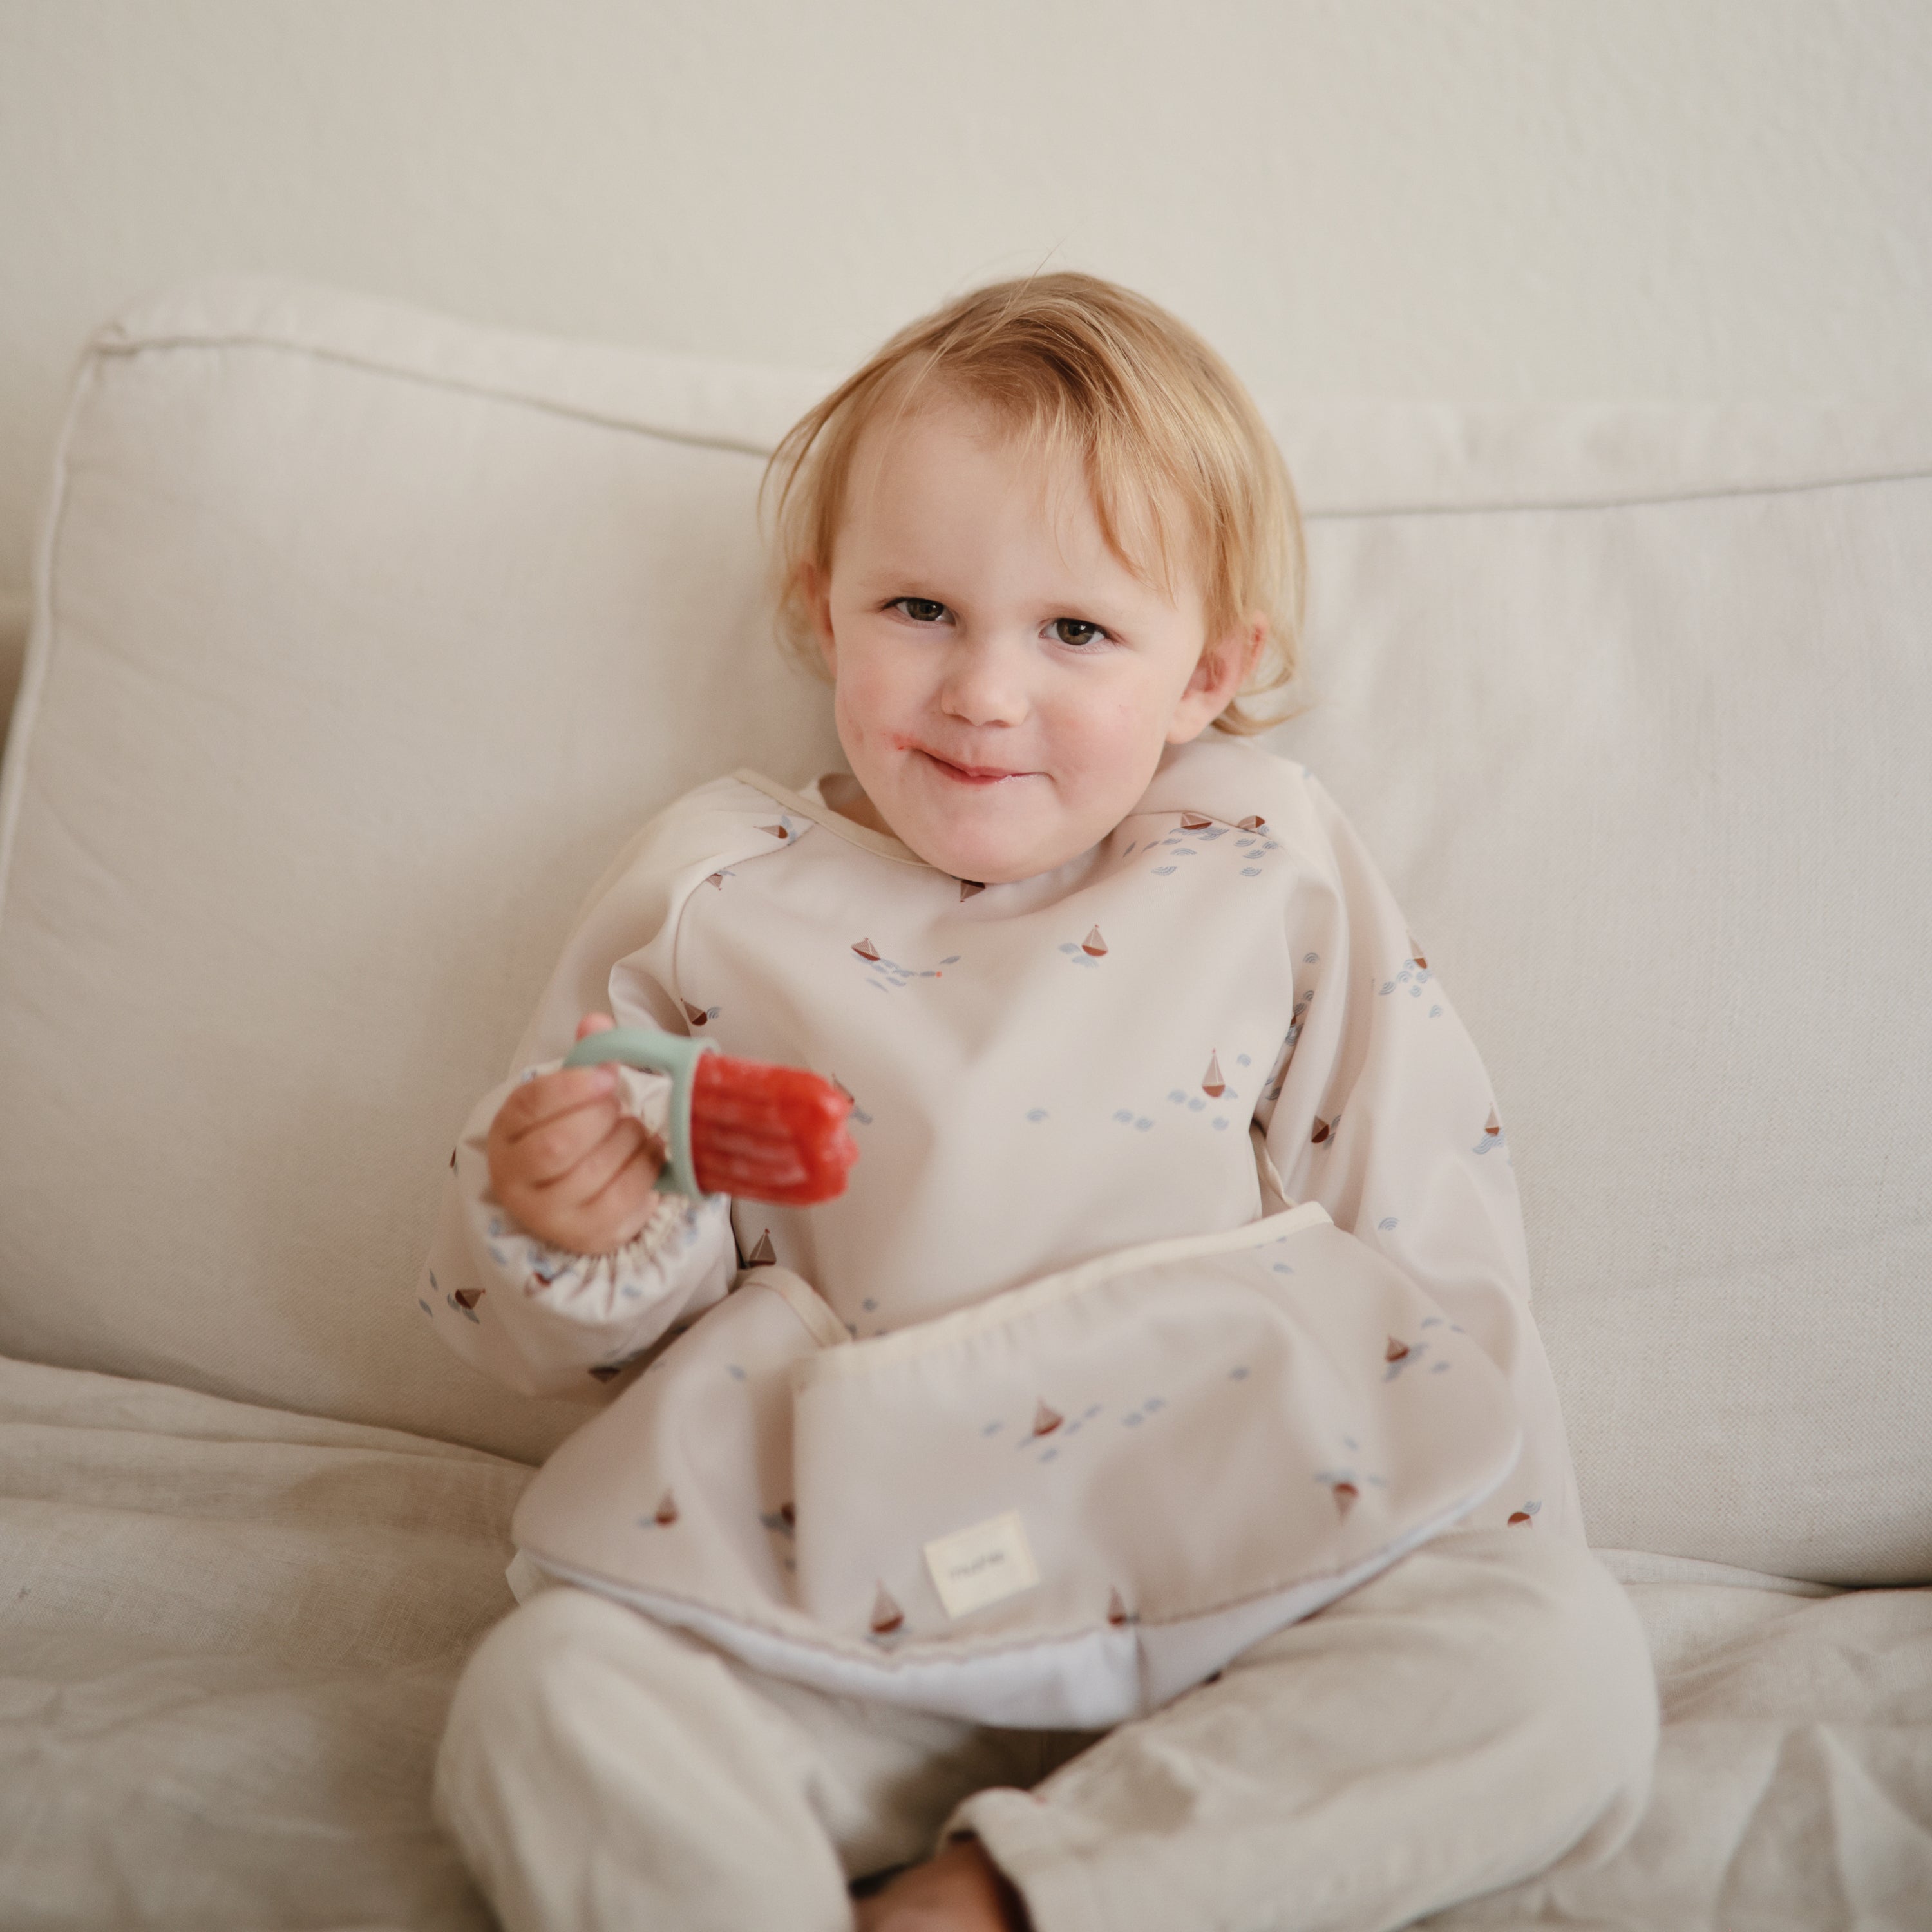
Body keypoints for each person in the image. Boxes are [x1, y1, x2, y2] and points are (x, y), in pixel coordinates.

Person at [421, 274, 1657, 1932]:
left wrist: (1486, 1535)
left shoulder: (1258, 855)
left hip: (1244, 1571)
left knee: (1561, 1665)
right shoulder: (715, 885)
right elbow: (556, 1324)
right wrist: (570, 1221)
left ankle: (1004, 1904)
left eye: (1075, 632)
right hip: (836, 1599)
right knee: (549, 1691)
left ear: (1210, 671)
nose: (984, 693)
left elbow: (1419, 1192)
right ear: (823, 603)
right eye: (919, 610)